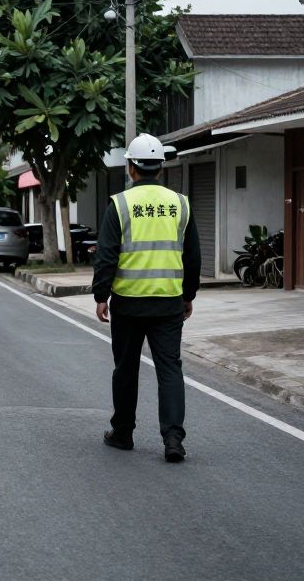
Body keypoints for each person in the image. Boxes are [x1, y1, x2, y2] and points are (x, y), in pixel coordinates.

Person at [91, 133, 201, 463]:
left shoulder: (120, 204)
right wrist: (188, 295)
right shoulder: (180, 203)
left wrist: (101, 295)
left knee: (126, 370)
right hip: (168, 303)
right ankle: (173, 440)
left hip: (128, 302)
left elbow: (107, 255)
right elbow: (192, 255)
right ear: (160, 167)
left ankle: (123, 433)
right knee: (170, 370)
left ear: (130, 167)